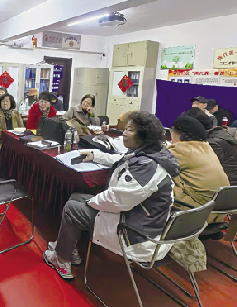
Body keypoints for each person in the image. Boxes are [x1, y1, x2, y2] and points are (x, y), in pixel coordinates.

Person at [43, 112, 179, 279]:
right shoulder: (150, 154)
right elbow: (123, 160)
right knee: (76, 197)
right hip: (142, 220)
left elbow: (117, 200)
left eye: (129, 129)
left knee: (73, 208)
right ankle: (67, 248)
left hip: (135, 235)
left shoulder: (147, 167)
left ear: (144, 135)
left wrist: (91, 201)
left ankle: (62, 260)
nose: (124, 133)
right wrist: (96, 155)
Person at [168, 115, 229, 223]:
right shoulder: (206, 146)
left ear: (175, 134)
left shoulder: (181, 150)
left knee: (158, 182)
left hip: (199, 213)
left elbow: (156, 160)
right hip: (219, 211)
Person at [182, 108, 237, 185]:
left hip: (229, 185)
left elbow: (201, 167)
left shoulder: (213, 142)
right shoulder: (218, 133)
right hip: (236, 181)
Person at [0, 94, 24, 174]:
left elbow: (21, 128)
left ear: (11, 103)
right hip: (0, 140)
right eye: (3, 101)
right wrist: (7, 138)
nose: (5, 103)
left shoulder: (16, 113)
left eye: (7, 101)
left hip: (15, 141)